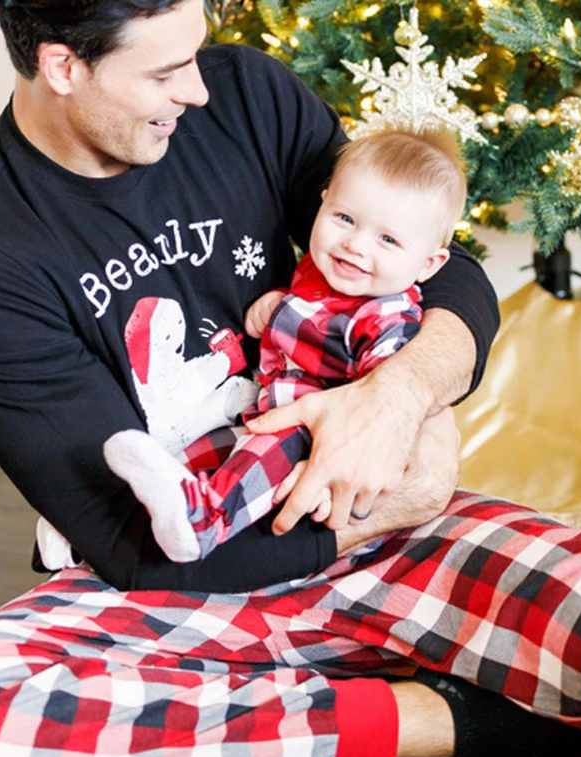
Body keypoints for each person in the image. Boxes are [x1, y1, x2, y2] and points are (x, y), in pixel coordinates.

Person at [0, 0, 581, 757]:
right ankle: (434, 720)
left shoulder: (246, 95)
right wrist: (398, 501)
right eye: (164, 72)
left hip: (367, 529)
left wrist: (399, 397)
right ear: (62, 66)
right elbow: (130, 546)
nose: (198, 91)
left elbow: (447, 272)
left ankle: (280, 716)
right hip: (185, 587)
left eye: (195, 54)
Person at [103, 126, 468, 563]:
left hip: (315, 439)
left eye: (387, 240)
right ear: (324, 199)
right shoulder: (319, 272)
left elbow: (377, 415)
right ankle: (125, 518)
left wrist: (334, 478)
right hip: (267, 412)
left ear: (429, 264)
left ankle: (204, 523)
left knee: (259, 454)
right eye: (345, 219)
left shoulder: (387, 318)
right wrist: (280, 305)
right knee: (198, 449)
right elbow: (315, 316)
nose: (355, 244)